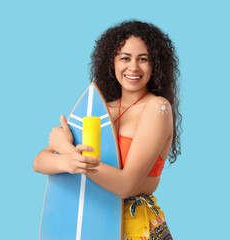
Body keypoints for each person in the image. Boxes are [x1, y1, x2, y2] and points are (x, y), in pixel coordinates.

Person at [34, 20, 181, 240]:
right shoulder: (99, 111)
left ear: (155, 65)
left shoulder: (157, 108)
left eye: (143, 59)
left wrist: (68, 151)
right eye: (125, 58)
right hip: (92, 224)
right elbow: (39, 162)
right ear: (112, 62)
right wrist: (65, 160)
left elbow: (126, 185)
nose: (133, 67)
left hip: (135, 227)